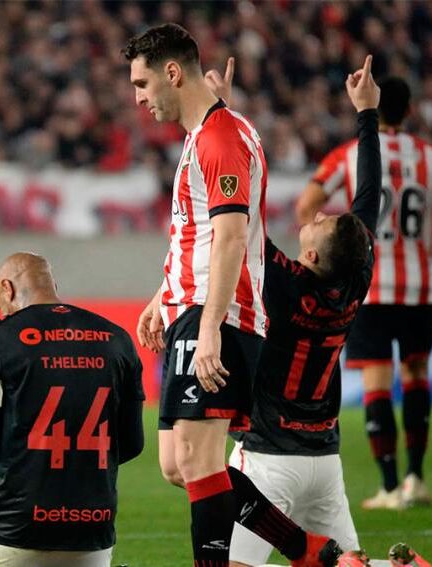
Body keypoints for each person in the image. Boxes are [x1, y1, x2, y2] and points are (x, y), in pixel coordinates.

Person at [125, 24, 339, 566]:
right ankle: (304, 548)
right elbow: (197, 233)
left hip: (216, 312)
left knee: (198, 461)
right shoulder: (209, 134)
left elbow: (232, 236)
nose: (139, 98)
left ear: (173, 73)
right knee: (178, 464)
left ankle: (281, 553)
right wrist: (162, 296)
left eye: (143, 83)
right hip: (192, 305)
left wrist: (208, 329)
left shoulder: (219, 137)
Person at [226, 56, 381, 567]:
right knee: (345, 563)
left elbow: (240, 212)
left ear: (311, 256)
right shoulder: (355, 278)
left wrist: (220, 114)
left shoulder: (287, 287)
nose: (315, 216)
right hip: (324, 462)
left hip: (269, 461)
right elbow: (368, 202)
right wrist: (367, 115)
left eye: (319, 224)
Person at [0, 252, 145, 567]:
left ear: (7, 288)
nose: (2, 312)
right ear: (52, 284)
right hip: (92, 530)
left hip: (15, 526)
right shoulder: (117, 339)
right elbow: (131, 444)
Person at [297, 76, 432, 510]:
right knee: (415, 376)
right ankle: (416, 477)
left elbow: (306, 204)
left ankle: (390, 486)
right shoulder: (428, 156)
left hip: (371, 287)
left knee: (376, 381)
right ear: (410, 110)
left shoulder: (349, 155)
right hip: (420, 285)